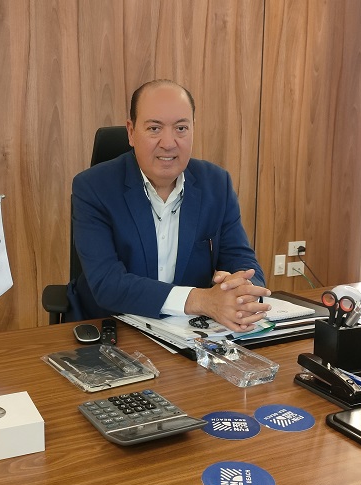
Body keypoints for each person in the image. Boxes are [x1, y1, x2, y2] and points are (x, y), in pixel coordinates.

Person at [68, 79, 271, 331]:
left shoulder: (216, 184)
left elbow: (242, 260)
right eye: (154, 128)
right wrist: (202, 300)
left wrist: (241, 291)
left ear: (193, 129)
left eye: (181, 128)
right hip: (112, 328)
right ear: (131, 132)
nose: (168, 142)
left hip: (190, 333)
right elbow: (108, 284)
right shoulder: (93, 187)